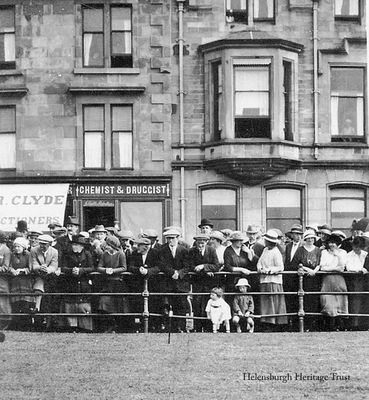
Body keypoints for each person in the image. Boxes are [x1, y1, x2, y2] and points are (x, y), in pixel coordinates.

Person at [310, 233, 348, 331]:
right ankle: (329, 325)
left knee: (339, 301)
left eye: (334, 243)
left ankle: (339, 325)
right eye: (330, 242)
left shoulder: (343, 253)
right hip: (327, 279)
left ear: (338, 244)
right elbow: (323, 267)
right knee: (326, 300)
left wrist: (337, 257)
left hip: (339, 280)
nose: (332, 245)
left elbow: (342, 267)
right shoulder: (324, 253)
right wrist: (335, 268)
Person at [158, 228, 190, 332]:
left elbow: (187, 266)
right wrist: (172, 273)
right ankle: (169, 327)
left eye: (172, 238)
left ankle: (181, 327)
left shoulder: (184, 250)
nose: (170, 240)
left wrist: (179, 273)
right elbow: (161, 264)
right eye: (168, 238)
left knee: (181, 306)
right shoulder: (162, 250)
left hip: (181, 283)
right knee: (167, 305)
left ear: (177, 238)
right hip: (168, 283)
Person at [60, 235, 95, 332]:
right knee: (70, 304)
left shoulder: (87, 254)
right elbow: (63, 267)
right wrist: (72, 270)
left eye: (76, 245)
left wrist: (81, 270)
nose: (74, 247)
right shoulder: (67, 254)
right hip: (70, 282)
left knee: (83, 304)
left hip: (83, 283)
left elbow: (92, 267)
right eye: (73, 244)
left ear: (82, 246)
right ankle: (71, 326)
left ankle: (85, 327)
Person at [257, 230, 288, 331]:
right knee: (266, 302)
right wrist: (260, 268)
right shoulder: (265, 250)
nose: (265, 242)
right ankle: (267, 322)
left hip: (273, 280)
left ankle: (274, 324)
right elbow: (260, 262)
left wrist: (269, 270)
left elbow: (280, 267)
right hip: (264, 280)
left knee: (273, 301)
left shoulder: (276, 252)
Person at [127, 237, 160, 331]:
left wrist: (148, 271)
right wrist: (139, 270)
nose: (138, 248)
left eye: (140, 246)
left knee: (153, 305)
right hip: (138, 284)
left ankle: (153, 327)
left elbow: (159, 267)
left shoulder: (155, 253)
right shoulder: (134, 254)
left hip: (153, 284)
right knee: (138, 304)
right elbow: (130, 266)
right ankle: (139, 326)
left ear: (146, 247)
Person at [188, 233, 220, 332]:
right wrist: (205, 270)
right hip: (197, 282)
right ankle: (197, 328)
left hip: (209, 283)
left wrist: (204, 266)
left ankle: (208, 328)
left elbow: (216, 266)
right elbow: (190, 265)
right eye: (198, 243)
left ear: (206, 242)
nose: (200, 245)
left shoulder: (211, 250)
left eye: (202, 243)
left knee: (208, 304)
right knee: (197, 304)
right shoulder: (192, 251)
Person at [97, 235, 128, 333]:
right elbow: (99, 267)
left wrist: (113, 271)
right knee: (104, 302)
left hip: (118, 283)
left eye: (107, 244)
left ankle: (117, 326)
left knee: (118, 305)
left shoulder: (120, 254)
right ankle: (109, 325)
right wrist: (105, 270)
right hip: (107, 283)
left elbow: (124, 267)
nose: (105, 245)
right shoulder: (104, 254)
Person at [292, 230, 321, 331]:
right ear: (305, 239)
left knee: (314, 301)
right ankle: (304, 325)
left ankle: (313, 326)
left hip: (315, 279)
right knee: (304, 301)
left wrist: (315, 270)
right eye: (308, 238)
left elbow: (320, 263)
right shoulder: (300, 250)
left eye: (312, 238)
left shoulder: (318, 250)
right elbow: (296, 263)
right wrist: (307, 269)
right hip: (303, 279)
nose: (310, 240)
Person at [29, 234, 59, 330]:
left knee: (49, 300)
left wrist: (48, 269)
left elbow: (54, 265)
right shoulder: (34, 250)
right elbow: (33, 264)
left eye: (44, 244)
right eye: (41, 243)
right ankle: (37, 310)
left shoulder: (54, 251)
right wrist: (40, 268)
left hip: (50, 278)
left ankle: (50, 323)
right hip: (38, 275)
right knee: (39, 286)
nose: (42, 246)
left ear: (50, 244)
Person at [9, 237, 34, 330]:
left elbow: (30, 268)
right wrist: (12, 270)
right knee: (16, 304)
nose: (17, 249)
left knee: (25, 303)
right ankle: (16, 325)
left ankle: (27, 325)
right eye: (15, 247)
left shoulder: (28, 255)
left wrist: (22, 270)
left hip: (25, 282)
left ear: (23, 247)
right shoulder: (12, 255)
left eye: (19, 246)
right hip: (15, 282)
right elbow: (9, 266)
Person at [346, 236, 368, 330]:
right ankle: (354, 324)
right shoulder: (349, 255)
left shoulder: (365, 254)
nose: (357, 249)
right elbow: (348, 267)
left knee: (364, 301)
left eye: (359, 247)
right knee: (354, 302)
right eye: (355, 247)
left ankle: (364, 324)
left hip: (365, 281)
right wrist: (360, 269)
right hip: (354, 280)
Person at [284, 224, 303, 330]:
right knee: (289, 300)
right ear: (292, 235)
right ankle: (290, 324)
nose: (298, 236)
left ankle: (297, 325)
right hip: (288, 278)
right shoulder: (288, 246)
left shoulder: (303, 246)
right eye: (296, 234)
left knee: (298, 300)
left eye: (300, 234)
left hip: (298, 278)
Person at [0, 232, 12, 330]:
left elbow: (5, 267)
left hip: (2, 280)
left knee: (3, 301)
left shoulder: (6, 250)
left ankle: (4, 322)